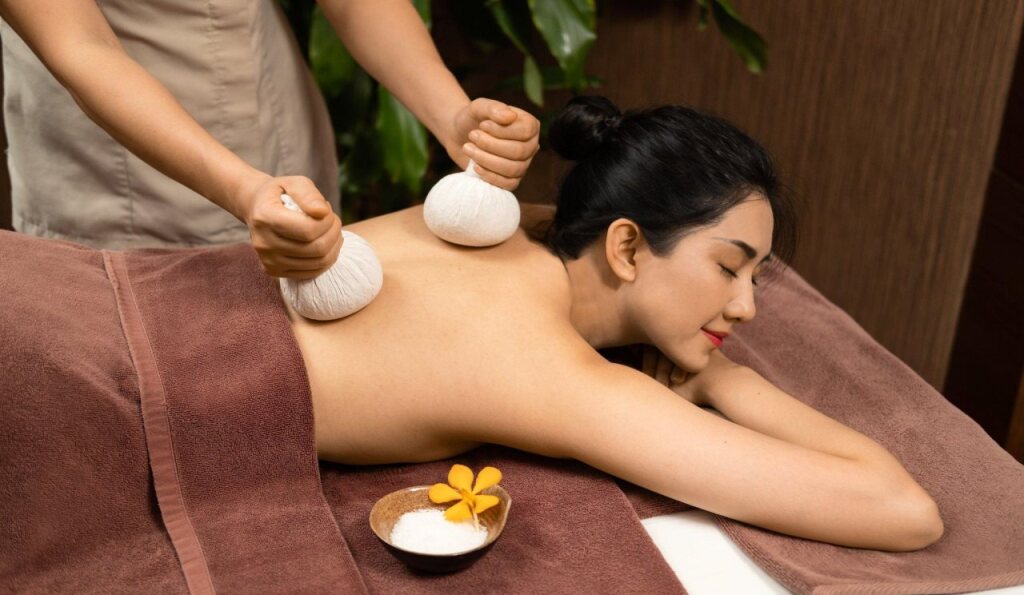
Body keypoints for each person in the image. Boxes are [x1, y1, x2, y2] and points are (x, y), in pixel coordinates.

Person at [0, 96, 943, 552]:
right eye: (730, 268)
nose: (745, 308)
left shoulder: (491, 221)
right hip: (72, 383)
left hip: (71, 286)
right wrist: (725, 381)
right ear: (624, 243)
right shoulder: (560, 380)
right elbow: (904, 512)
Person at [0, 0, 540, 279]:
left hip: (268, 99)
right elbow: (81, 45)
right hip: (117, 174)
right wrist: (243, 189)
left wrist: (451, 115)